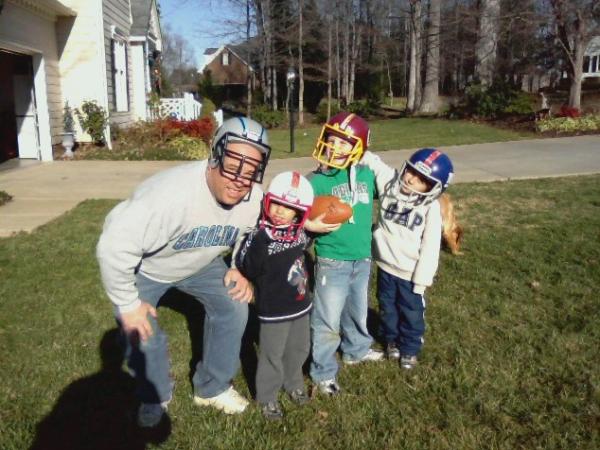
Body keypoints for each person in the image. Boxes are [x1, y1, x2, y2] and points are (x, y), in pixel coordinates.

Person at [96, 117, 271, 428]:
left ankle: (212, 388)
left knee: (234, 305)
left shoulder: (253, 197)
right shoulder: (169, 196)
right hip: (147, 266)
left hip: (199, 262)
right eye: (233, 164)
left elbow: (249, 234)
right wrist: (127, 303)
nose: (240, 179)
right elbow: (113, 246)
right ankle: (155, 395)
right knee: (142, 331)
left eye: (251, 169)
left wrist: (239, 269)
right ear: (215, 155)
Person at [306, 112, 384, 397]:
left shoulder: (366, 174)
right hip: (332, 260)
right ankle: (323, 371)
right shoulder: (315, 181)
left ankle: (356, 350)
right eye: (331, 141)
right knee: (327, 318)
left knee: (357, 310)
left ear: (360, 147)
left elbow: (391, 186)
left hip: (362, 258)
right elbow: (296, 213)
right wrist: (308, 224)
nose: (335, 148)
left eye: (344, 143)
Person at [359, 148, 454, 369]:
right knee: (387, 308)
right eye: (411, 171)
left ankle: (410, 349)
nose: (411, 179)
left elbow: (431, 247)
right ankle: (391, 339)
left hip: (410, 273)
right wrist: (360, 152)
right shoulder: (391, 185)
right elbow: (377, 164)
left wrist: (422, 280)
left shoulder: (430, 209)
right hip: (385, 266)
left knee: (411, 313)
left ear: (432, 188)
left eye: (422, 180)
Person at [236, 171, 314, 420]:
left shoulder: (300, 232)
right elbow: (247, 266)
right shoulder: (259, 234)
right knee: (272, 354)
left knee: (300, 348)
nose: (280, 211)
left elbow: (308, 242)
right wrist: (261, 241)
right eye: (277, 204)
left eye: (288, 207)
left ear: (299, 213)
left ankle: (293, 382)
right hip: (273, 309)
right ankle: (267, 397)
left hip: (300, 303)